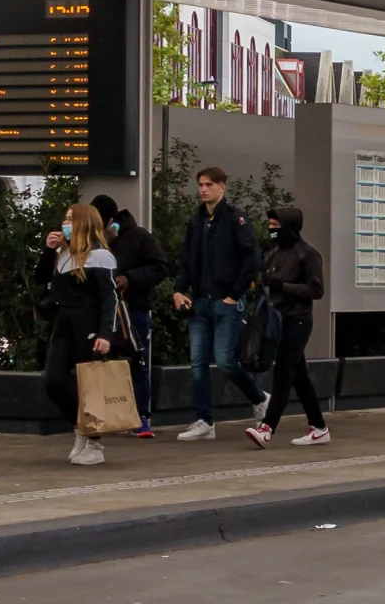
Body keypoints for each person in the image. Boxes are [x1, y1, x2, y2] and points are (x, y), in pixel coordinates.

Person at [169, 165, 262, 440]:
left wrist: (235, 293)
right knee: (197, 362)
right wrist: (178, 290)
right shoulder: (196, 220)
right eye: (200, 184)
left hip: (226, 301)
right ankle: (204, 420)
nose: (203, 189)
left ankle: (259, 398)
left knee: (224, 361)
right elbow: (187, 260)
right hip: (199, 301)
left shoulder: (235, 219)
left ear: (223, 187)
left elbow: (252, 259)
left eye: (209, 184)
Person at [39, 199, 126, 465]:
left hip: (88, 324)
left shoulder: (100, 256)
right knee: (53, 381)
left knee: (89, 386)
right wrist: (47, 250)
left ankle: (94, 444)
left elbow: (108, 298)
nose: (65, 224)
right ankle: (81, 428)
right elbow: (41, 279)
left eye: (69, 219)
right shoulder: (63, 255)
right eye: (64, 219)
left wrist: (105, 334)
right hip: (64, 323)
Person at [245, 202, 330, 448]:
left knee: (283, 373)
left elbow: (317, 289)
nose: (271, 229)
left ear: (289, 226)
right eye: (270, 225)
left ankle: (267, 428)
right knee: (298, 376)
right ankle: (319, 427)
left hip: (298, 319)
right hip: (277, 318)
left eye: (276, 225)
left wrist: (285, 287)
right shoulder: (274, 253)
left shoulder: (308, 253)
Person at [89, 191, 170, 439]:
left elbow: (160, 267)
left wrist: (131, 278)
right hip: (103, 311)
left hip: (132, 309)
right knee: (102, 362)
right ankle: (109, 414)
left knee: (137, 360)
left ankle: (141, 417)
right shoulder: (92, 239)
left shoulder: (138, 236)